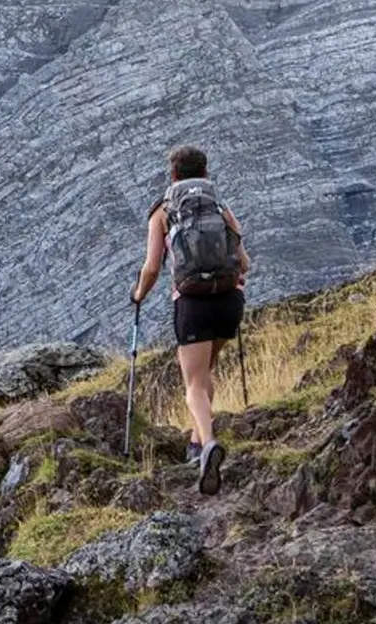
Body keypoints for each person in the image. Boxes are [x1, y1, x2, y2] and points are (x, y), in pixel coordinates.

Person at [130, 145, 252, 495]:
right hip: (229, 301)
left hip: (193, 303)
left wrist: (138, 295)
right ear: (205, 172)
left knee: (194, 384)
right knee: (206, 369)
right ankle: (196, 444)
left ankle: (209, 443)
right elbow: (244, 262)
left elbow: (152, 268)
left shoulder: (163, 211)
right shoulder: (220, 207)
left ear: (173, 175)